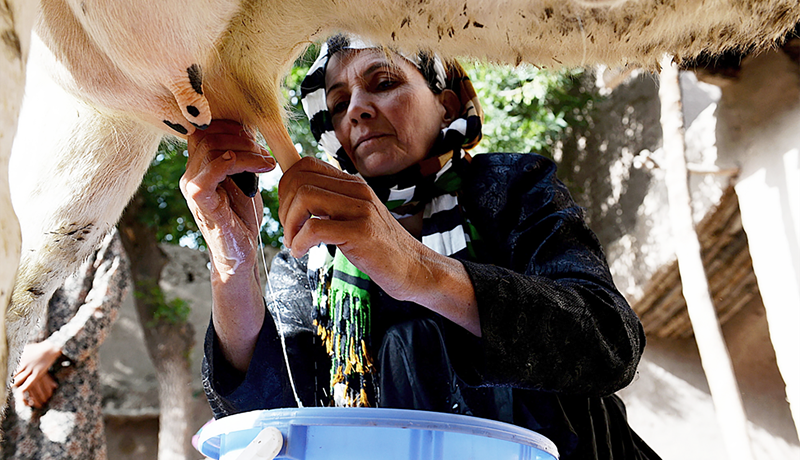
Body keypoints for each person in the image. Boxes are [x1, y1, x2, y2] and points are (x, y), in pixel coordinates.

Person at [183, 35, 660, 459]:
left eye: (384, 81)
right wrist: (234, 259)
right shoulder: (311, 250)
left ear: (447, 105)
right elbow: (274, 413)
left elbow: (608, 342)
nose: (357, 110)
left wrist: (416, 268)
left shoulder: (512, 187)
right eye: (338, 102)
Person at [2, 229, 130, 460]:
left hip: (70, 385)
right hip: (7, 384)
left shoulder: (100, 230)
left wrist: (53, 349)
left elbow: (106, 300)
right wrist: (19, 362)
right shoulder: (10, 228)